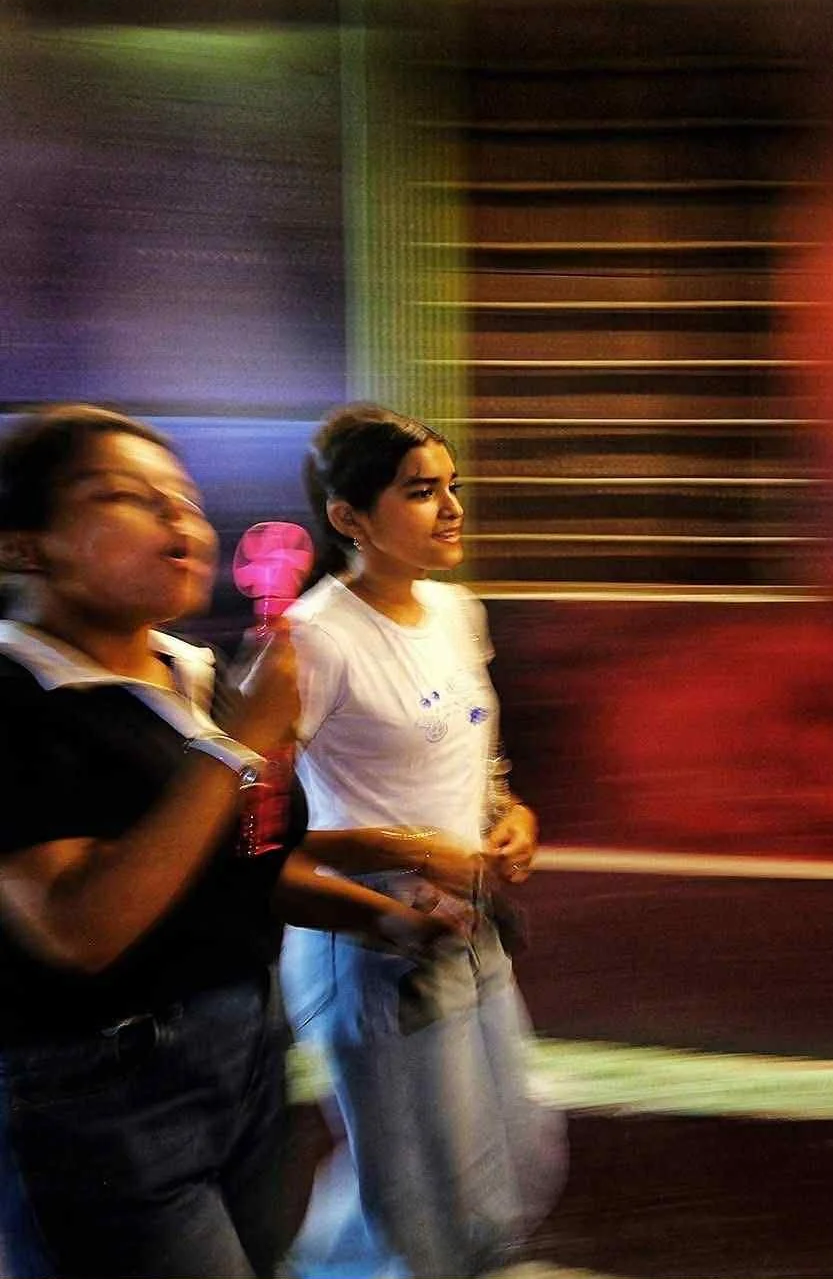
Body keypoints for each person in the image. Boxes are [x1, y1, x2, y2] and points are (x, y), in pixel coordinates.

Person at [0, 404, 454, 1278]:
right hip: (103, 1094)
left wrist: (386, 915)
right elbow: (78, 927)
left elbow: (243, 871)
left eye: (186, 499)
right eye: (126, 498)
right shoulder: (19, 695)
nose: (179, 519)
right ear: (27, 545)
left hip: (247, 1055)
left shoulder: (194, 673)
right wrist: (238, 742)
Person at [281, 403, 564, 1279]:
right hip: (371, 946)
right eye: (421, 491)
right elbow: (251, 833)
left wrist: (509, 816)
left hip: (464, 931)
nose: (452, 508)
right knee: (428, 1208)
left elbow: (471, 757)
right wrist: (401, 846)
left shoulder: (455, 611)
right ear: (349, 518)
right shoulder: (311, 643)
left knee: (518, 1163)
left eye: (452, 486)